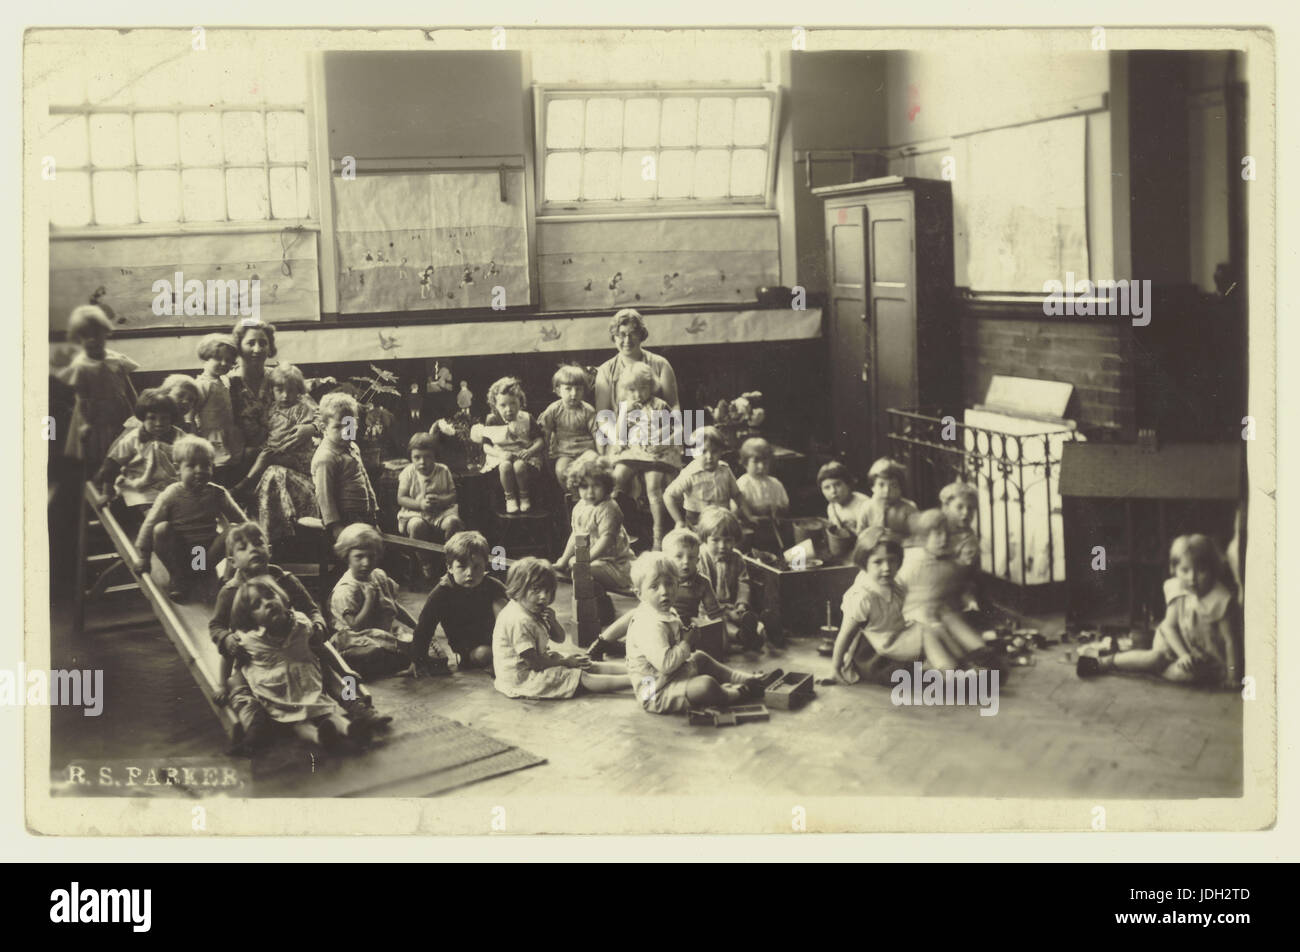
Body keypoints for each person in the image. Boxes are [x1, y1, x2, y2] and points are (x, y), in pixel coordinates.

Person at [210, 521, 389, 754]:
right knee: (240, 687)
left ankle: (357, 708)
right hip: (257, 657)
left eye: (258, 543)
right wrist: (225, 638)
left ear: (269, 550)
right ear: (233, 562)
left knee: (330, 670)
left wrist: (317, 623)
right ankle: (257, 728)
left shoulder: (284, 580)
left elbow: (311, 607)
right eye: (243, 547)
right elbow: (216, 625)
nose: (253, 549)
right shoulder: (231, 591)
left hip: (295, 645)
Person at [623, 551, 780, 716]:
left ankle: (745, 679)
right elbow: (666, 664)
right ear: (639, 594)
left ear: (677, 585)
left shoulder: (664, 611)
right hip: (657, 692)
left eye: (669, 584)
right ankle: (738, 693)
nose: (664, 591)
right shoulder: (648, 625)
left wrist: (685, 638)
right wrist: (686, 643)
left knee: (700, 657)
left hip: (671, 676)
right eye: (654, 586)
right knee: (706, 685)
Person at [1078, 534, 1240, 688]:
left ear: (1214, 570)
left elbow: (1231, 641)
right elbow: (1170, 628)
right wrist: (1183, 654)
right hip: (1174, 643)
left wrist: (1232, 676)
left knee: (1189, 674)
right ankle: (1103, 663)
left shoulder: (1221, 600)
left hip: (1207, 658)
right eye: (1185, 570)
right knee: (1156, 657)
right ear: (1175, 569)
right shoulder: (1180, 590)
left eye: (1201, 571)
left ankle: (1151, 668)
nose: (1192, 579)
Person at [227, 575, 361, 753]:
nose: (267, 603)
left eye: (270, 596)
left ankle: (350, 728)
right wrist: (223, 684)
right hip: (275, 691)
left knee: (327, 709)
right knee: (298, 723)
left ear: (282, 597)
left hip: (305, 681)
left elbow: (321, 647)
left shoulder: (301, 623)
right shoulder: (248, 638)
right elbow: (229, 659)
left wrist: (345, 670)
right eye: (257, 605)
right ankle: (319, 736)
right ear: (250, 618)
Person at [492, 557, 630, 699]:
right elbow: (535, 663)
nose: (544, 597)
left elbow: (559, 638)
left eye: (548, 591)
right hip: (523, 678)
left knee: (585, 663)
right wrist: (565, 662)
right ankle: (636, 680)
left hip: (539, 661)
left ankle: (635, 670)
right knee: (582, 676)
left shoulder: (531, 608)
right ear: (518, 587)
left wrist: (552, 621)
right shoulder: (518, 620)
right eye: (536, 589)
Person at [134, 435, 247, 601]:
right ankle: (179, 578)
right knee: (161, 529)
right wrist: (144, 557)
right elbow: (149, 524)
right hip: (179, 554)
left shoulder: (217, 493)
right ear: (177, 468)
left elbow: (243, 522)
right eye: (192, 466)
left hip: (203, 555)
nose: (199, 471)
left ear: (212, 467)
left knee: (236, 530)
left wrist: (258, 541)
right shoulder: (171, 494)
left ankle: (223, 578)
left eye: (205, 465)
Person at [587, 526, 721, 661]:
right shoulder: (658, 579)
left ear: (698, 560)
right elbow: (646, 605)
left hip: (679, 628)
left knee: (695, 632)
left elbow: (715, 615)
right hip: (654, 621)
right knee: (635, 614)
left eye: (691, 557)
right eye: (679, 556)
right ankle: (601, 642)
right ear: (666, 559)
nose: (686, 561)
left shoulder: (702, 582)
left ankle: (623, 647)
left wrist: (721, 638)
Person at [329, 524, 427, 679]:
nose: (366, 563)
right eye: (359, 557)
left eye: (371, 556)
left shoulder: (378, 575)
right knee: (375, 651)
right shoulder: (346, 589)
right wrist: (369, 600)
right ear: (346, 556)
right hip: (355, 639)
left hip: (381, 633)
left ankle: (392, 659)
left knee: (414, 644)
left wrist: (418, 626)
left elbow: (392, 606)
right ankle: (350, 663)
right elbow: (355, 626)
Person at [607, 363, 682, 549]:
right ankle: (614, 529)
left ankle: (658, 535)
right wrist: (624, 413)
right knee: (615, 480)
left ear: (652, 387)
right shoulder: (626, 407)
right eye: (632, 390)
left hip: (656, 451)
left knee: (653, 488)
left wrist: (662, 443)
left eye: (643, 388)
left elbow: (677, 431)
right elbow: (619, 434)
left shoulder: (660, 405)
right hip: (634, 450)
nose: (638, 395)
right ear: (625, 390)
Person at [410, 531, 506, 675]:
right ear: (449, 567)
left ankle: (509, 655)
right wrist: (417, 660)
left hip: (497, 639)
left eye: (476, 567)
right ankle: (501, 660)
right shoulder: (442, 592)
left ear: (485, 566)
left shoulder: (492, 585)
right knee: (483, 654)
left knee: (504, 604)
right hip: (470, 647)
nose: (469, 573)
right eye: (462, 567)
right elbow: (424, 627)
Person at [554, 455, 633, 627]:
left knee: (581, 571)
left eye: (596, 486)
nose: (589, 492)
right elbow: (576, 536)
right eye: (584, 486)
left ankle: (597, 612)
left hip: (615, 564)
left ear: (606, 485)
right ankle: (600, 607)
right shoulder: (580, 507)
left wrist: (584, 560)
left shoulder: (609, 508)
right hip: (594, 560)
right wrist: (563, 560)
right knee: (578, 570)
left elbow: (607, 540)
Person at [56, 304, 138, 468]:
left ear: (106, 333)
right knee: (99, 453)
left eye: (96, 334)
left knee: (124, 448)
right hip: (95, 418)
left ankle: (119, 483)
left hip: (121, 412)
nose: (92, 339)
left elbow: (129, 389)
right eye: (85, 336)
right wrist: (86, 423)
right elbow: (82, 398)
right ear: (78, 338)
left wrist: (139, 411)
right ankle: (99, 485)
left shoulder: (118, 360)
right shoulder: (81, 366)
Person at [95, 389, 185, 519]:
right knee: (155, 516)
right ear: (143, 418)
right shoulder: (134, 438)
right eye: (152, 418)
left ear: (172, 418)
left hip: (171, 485)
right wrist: (107, 493)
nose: (159, 423)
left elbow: (192, 457)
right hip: (143, 488)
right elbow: (112, 464)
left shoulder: (179, 435)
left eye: (164, 418)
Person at [695, 506, 765, 653]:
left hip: (731, 606)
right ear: (704, 538)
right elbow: (700, 590)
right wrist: (717, 610)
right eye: (715, 540)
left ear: (735, 540)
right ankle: (741, 637)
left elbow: (743, 582)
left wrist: (741, 604)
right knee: (719, 624)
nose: (722, 546)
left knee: (751, 620)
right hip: (709, 610)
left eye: (728, 541)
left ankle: (758, 631)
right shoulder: (700, 558)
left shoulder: (737, 557)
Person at [311, 391, 379, 540]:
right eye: (337, 427)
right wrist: (336, 527)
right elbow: (324, 496)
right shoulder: (326, 457)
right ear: (324, 428)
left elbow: (364, 478)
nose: (345, 432)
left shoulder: (353, 447)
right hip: (344, 518)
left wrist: (373, 509)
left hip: (363, 514)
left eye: (349, 425)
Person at [474, 376, 544, 514]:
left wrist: (530, 451)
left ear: (520, 402)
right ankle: (510, 497)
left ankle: (524, 496)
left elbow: (540, 440)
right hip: (501, 456)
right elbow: (486, 446)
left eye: (513, 403)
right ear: (495, 405)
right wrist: (500, 454)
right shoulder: (492, 419)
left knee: (519, 466)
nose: (509, 409)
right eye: (503, 405)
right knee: (505, 466)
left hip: (523, 454)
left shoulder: (526, 418)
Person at [592, 308, 680, 415]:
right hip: (620, 428)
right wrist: (617, 431)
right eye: (621, 334)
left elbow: (674, 405)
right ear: (614, 337)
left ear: (641, 335)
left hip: (658, 427)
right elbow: (603, 415)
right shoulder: (605, 370)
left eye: (633, 334)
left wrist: (671, 429)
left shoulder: (661, 364)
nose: (627, 340)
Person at [663, 426, 743, 530]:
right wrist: (679, 521)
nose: (709, 456)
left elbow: (737, 495)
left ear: (721, 451)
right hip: (697, 520)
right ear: (694, 453)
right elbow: (668, 495)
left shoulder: (725, 470)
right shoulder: (690, 473)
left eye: (714, 451)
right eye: (703, 452)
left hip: (722, 519)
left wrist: (740, 514)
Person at [537, 364, 599, 488]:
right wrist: (546, 456)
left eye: (578, 389)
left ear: (584, 390)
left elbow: (597, 434)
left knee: (592, 468)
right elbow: (546, 433)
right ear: (558, 390)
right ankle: (573, 497)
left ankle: (588, 495)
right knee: (562, 470)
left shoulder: (587, 410)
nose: (574, 394)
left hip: (586, 450)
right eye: (568, 389)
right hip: (564, 452)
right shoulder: (554, 409)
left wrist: (601, 455)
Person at [193, 333, 241, 481]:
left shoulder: (224, 380)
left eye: (228, 360)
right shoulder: (202, 384)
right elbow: (192, 413)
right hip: (211, 434)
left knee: (231, 467)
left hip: (227, 432)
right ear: (205, 358)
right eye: (218, 359)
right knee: (216, 467)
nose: (224, 363)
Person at [864, 457, 919, 536]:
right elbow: (860, 536)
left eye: (893, 486)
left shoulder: (909, 509)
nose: (887, 491)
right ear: (872, 487)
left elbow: (917, 536)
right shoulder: (867, 507)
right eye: (881, 485)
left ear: (901, 488)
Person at [818, 460, 872, 535]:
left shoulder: (864, 504)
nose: (833, 491)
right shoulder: (831, 507)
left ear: (848, 483)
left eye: (837, 485)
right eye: (827, 487)